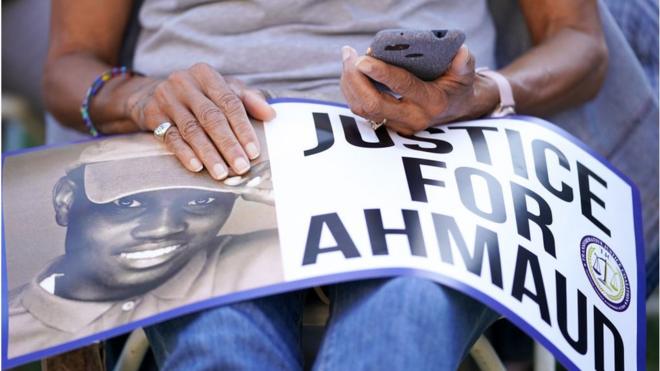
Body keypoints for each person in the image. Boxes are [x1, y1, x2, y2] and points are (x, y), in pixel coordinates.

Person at [40, 0, 624, 369]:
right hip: (207, 151)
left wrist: (483, 93)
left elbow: (579, 41)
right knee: (219, 336)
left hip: (434, 152)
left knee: (403, 318)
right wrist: (142, 96)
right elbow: (71, 61)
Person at [8, 135, 281, 360]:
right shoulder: (12, 324)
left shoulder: (257, 259)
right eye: (127, 203)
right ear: (65, 201)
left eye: (200, 202)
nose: (164, 227)